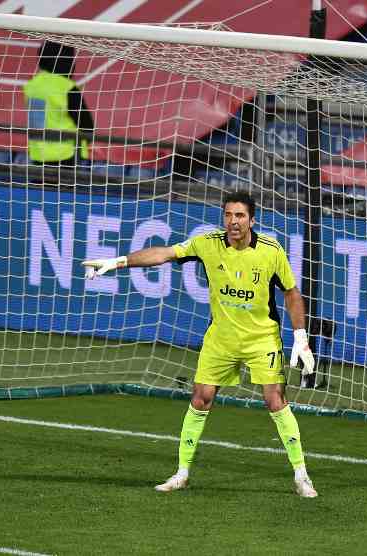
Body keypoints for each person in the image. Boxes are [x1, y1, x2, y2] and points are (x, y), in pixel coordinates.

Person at [82, 191, 319, 498]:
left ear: (252, 220)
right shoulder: (207, 243)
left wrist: (300, 336)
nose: (233, 221)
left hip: (262, 338)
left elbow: (290, 292)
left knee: (275, 399)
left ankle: (301, 475)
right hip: (220, 338)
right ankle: (181, 472)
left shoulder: (271, 251)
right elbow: (165, 254)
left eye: (240, 216)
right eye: (229, 215)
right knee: (200, 398)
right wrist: (119, 262)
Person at [23, 41, 94, 166]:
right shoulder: (67, 87)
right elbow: (86, 124)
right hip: (68, 154)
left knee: (41, 185)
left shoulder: (31, 86)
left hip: (38, 154)